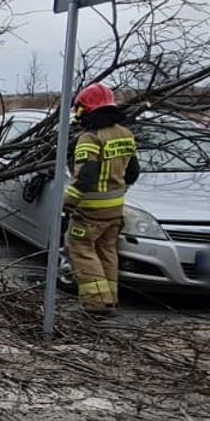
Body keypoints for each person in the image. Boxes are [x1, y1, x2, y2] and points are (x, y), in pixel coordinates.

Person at [63, 82, 139, 317]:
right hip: (115, 209)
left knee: (81, 249)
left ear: (86, 110)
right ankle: (110, 299)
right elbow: (133, 172)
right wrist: (118, 191)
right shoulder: (125, 134)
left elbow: (85, 177)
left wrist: (67, 204)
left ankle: (96, 303)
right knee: (107, 250)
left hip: (91, 209)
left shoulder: (90, 138)